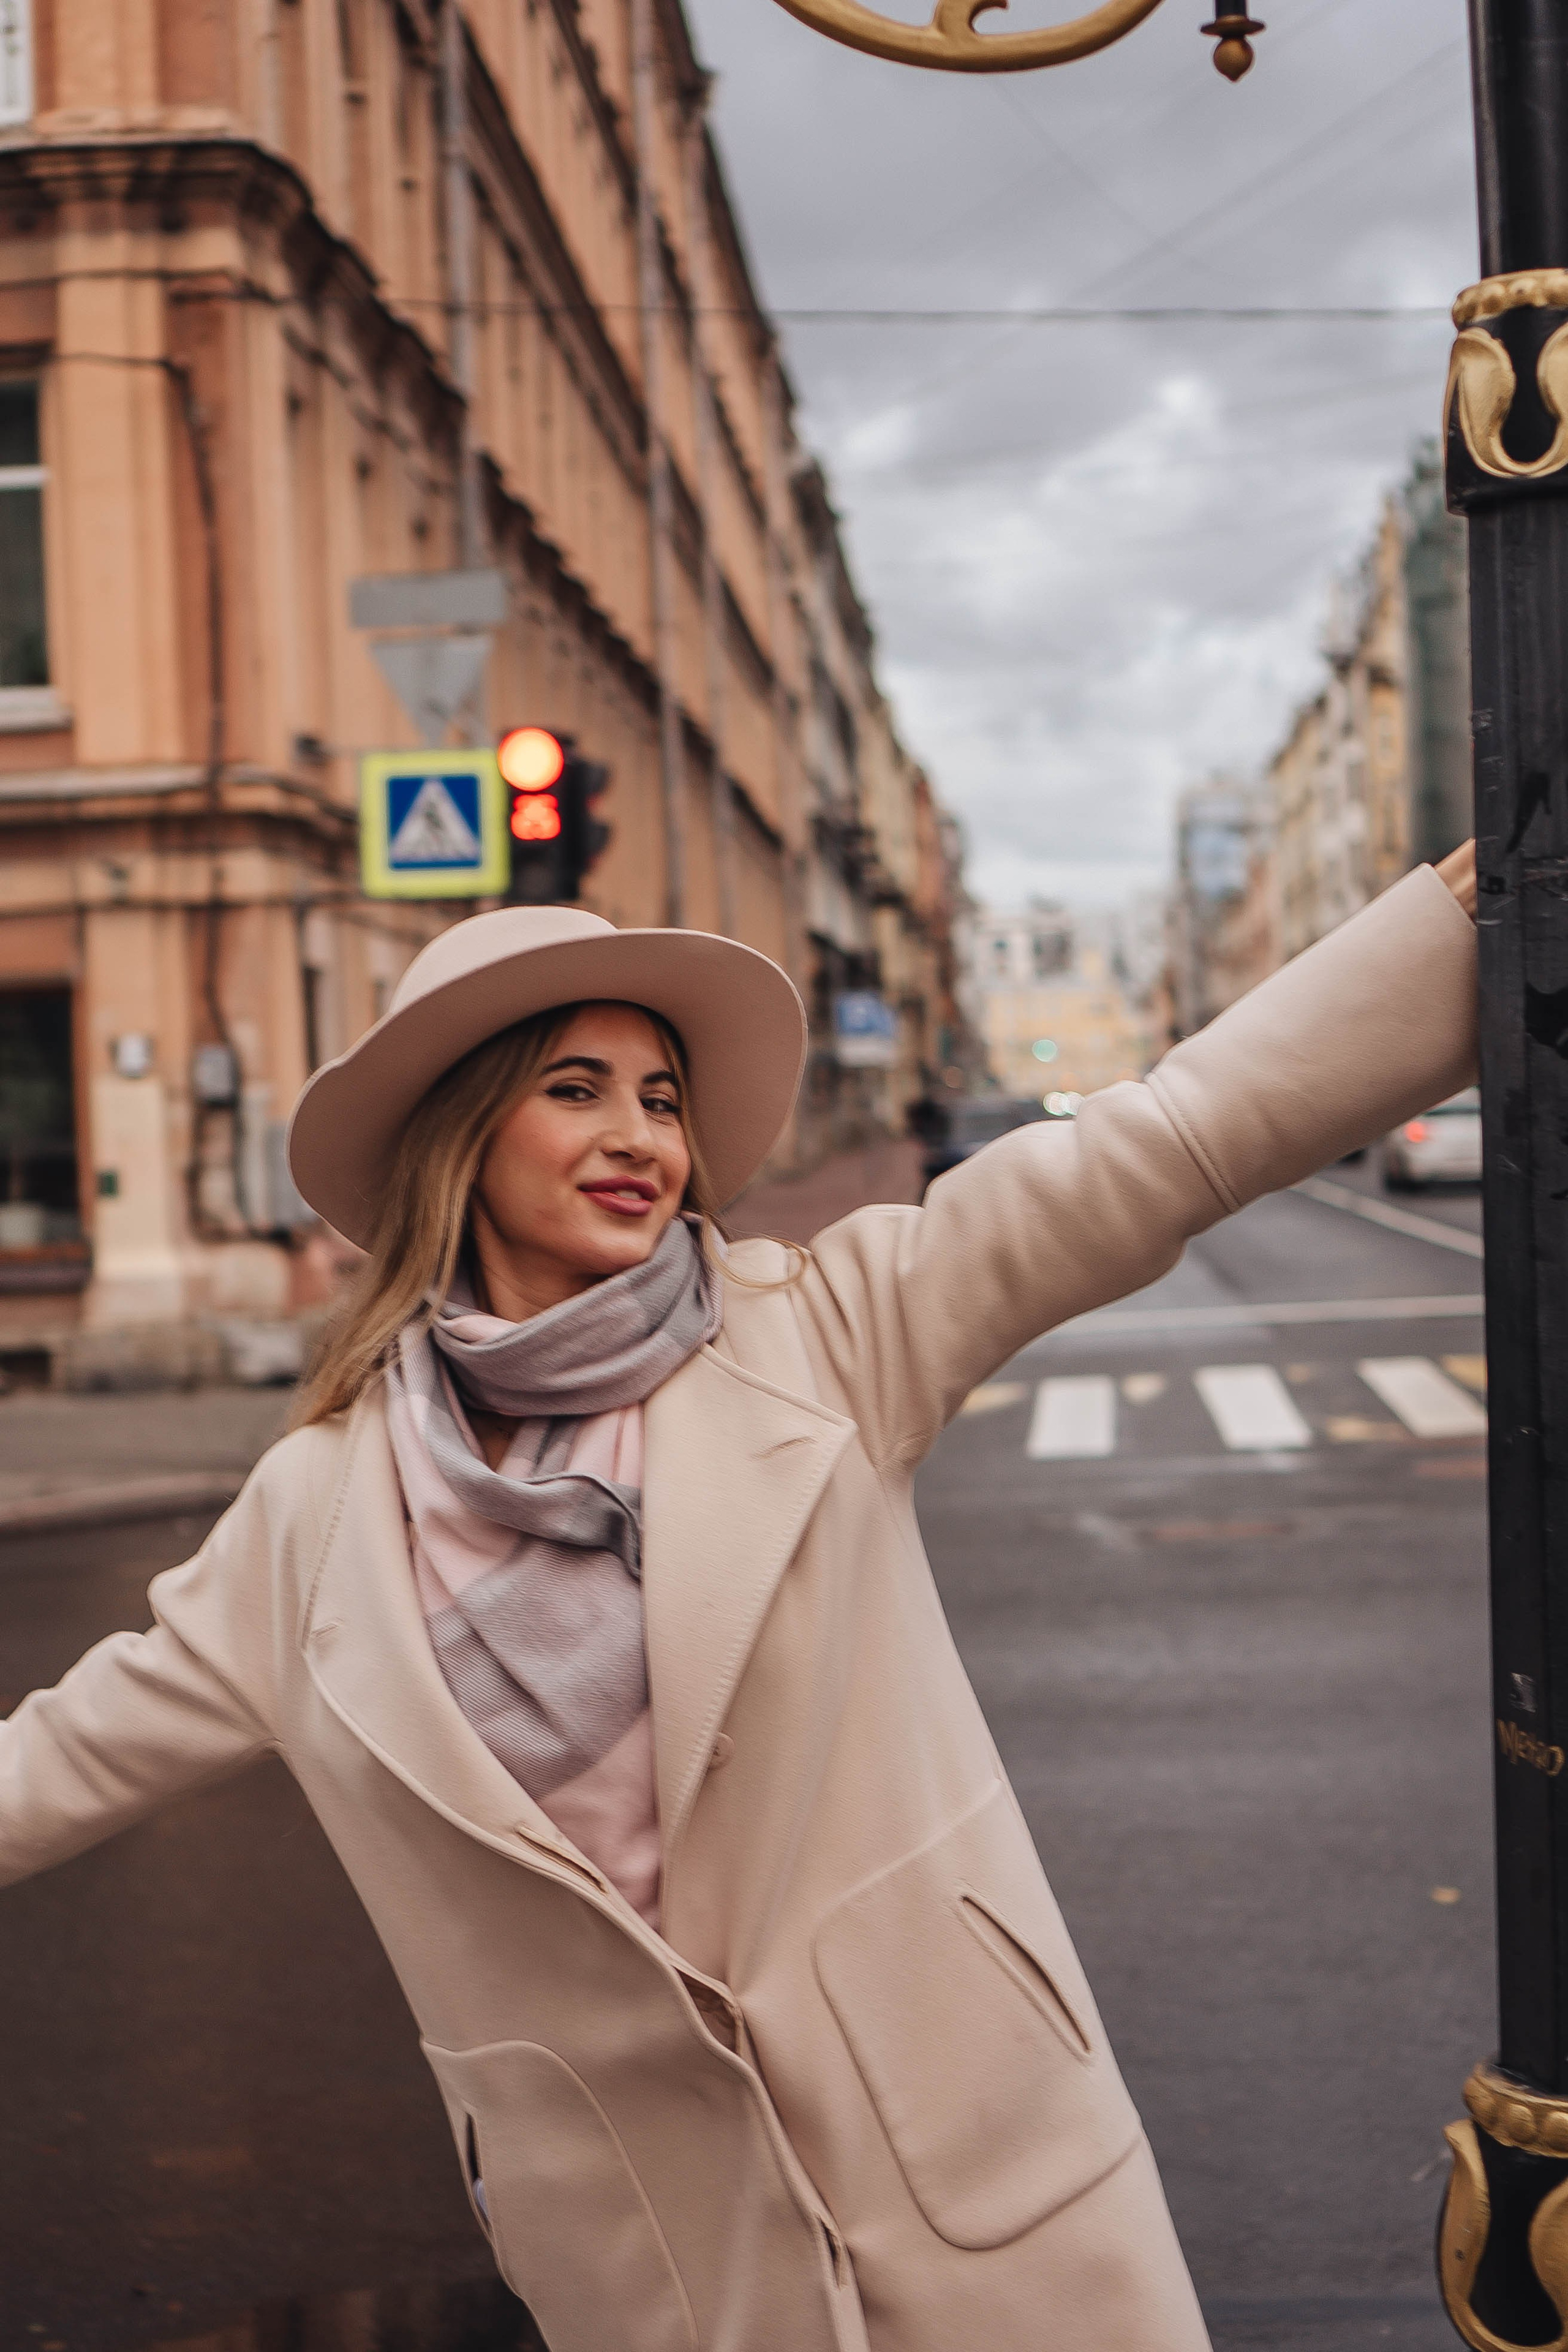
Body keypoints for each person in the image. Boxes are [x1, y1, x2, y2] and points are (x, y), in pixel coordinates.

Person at [0, 851, 1480, 2352]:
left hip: (971, 2158)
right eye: (575, 1089)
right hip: (645, 2247)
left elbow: (1152, 1146)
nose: (639, 1134)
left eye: (660, 1098)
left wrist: (1449, 931)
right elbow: (62, 1756)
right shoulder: (314, 1510)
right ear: (462, 1132)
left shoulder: (820, 1335)